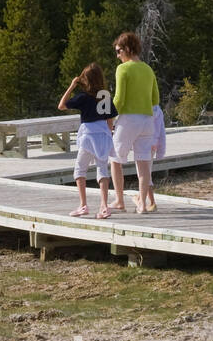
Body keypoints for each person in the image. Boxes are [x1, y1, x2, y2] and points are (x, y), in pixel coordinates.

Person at [107, 31, 160, 214]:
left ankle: (119, 200)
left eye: (118, 51)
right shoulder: (148, 69)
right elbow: (155, 98)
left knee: (115, 159)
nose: (117, 55)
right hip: (147, 120)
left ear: (127, 49)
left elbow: (119, 99)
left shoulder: (123, 69)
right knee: (143, 163)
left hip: (129, 119)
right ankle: (142, 204)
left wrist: (109, 117)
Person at [58, 64, 118, 219]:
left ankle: (83, 205)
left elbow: (62, 105)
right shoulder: (105, 96)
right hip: (103, 134)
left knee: (79, 170)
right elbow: (110, 119)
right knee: (102, 169)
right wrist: (109, 134)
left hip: (88, 136)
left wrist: (72, 85)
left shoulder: (83, 97)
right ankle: (104, 206)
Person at [140, 102, 166, 213]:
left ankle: (151, 202)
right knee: (147, 173)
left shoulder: (141, 107)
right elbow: (161, 131)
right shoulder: (158, 110)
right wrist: (161, 150)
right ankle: (147, 200)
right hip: (153, 144)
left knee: (144, 174)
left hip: (143, 142)